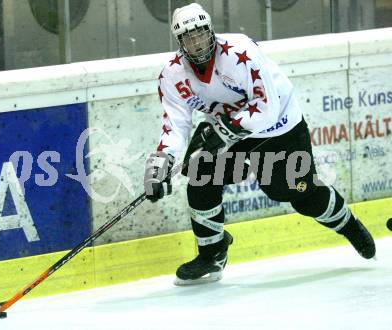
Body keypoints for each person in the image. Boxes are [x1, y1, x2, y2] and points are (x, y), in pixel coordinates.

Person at [143, 3, 376, 286]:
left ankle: (348, 224)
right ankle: (212, 256)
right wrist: (162, 162)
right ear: (180, 42)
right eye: (188, 37)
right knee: (201, 172)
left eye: (201, 33)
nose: (197, 41)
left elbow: (267, 106)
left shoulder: (240, 52)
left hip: (280, 128)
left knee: (291, 191)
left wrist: (228, 129)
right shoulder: (172, 74)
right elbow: (175, 124)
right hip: (233, 132)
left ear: (210, 31)